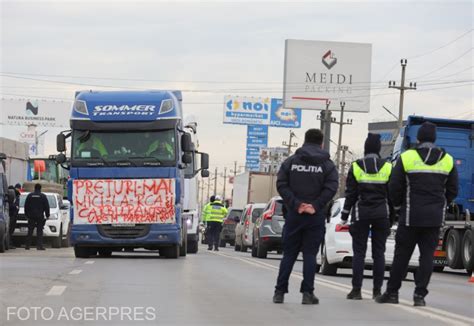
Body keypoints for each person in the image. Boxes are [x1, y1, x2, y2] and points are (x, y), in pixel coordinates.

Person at [376, 122, 458, 307]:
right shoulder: (448, 160)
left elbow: (394, 186)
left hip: (410, 216)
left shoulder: (407, 157)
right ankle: (419, 296)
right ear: (435, 139)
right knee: (427, 257)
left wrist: (398, 208)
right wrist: (441, 203)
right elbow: (453, 189)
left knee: (402, 256)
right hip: (435, 217)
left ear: (418, 138)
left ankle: (392, 293)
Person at [273, 129, 338, 305]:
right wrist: (315, 206)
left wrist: (296, 204)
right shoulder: (327, 165)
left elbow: (281, 184)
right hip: (315, 217)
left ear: (305, 141)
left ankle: (279, 292)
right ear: (321, 143)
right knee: (310, 255)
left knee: (289, 255)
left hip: (294, 215)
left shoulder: (291, 162)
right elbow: (332, 187)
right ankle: (307, 294)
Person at [339, 133, 393, 300]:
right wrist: (393, 217)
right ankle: (377, 291)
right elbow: (392, 195)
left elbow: (350, 194)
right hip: (381, 214)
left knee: (359, 253)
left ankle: (356, 290)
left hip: (360, 214)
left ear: (365, 148)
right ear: (378, 148)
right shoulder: (388, 166)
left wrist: (344, 215)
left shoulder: (356, 166)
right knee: (379, 253)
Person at [24, 183, 50, 250]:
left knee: (30, 231)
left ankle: (27, 246)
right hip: (40, 216)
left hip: (31, 216)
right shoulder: (43, 196)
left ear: (34, 188)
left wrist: (26, 215)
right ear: (40, 188)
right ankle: (39, 246)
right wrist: (47, 215)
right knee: (39, 231)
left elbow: (26, 206)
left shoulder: (30, 195)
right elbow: (46, 206)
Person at [7, 184, 21, 249]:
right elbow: (11, 205)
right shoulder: (11, 196)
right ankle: (8, 243)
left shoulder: (17, 195)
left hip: (13, 215)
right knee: (9, 230)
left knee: (11, 230)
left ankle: (9, 243)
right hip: (11, 215)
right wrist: (15, 207)